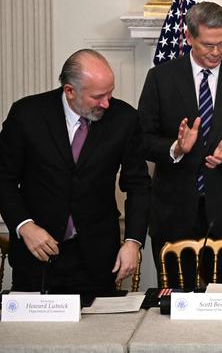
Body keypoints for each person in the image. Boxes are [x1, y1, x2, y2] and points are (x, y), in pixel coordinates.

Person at [138, 2, 222, 285]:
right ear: (188, 38)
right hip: (174, 211)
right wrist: (175, 148)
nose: (216, 52)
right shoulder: (160, 78)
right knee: (176, 303)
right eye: (208, 44)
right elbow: (142, 139)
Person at [0, 49, 150, 294]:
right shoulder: (27, 115)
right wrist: (25, 226)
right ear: (70, 91)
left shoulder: (125, 119)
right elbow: (3, 179)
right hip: (36, 254)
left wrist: (133, 242)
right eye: (98, 96)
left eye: (110, 93)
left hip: (97, 260)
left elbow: (138, 185)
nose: (106, 103)